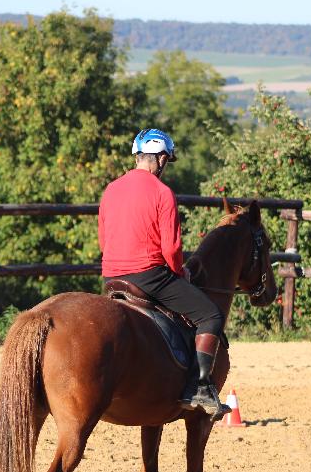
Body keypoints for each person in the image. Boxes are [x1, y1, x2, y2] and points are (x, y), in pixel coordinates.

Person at [98, 128, 229, 420]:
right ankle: (199, 388)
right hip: (149, 275)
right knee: (210, 315)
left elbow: (103, 241)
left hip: (111, 276)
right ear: (161, 158)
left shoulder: (111, 189)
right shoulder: (162, 192)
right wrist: (179, 272)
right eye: (166, 160)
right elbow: (171, 247)